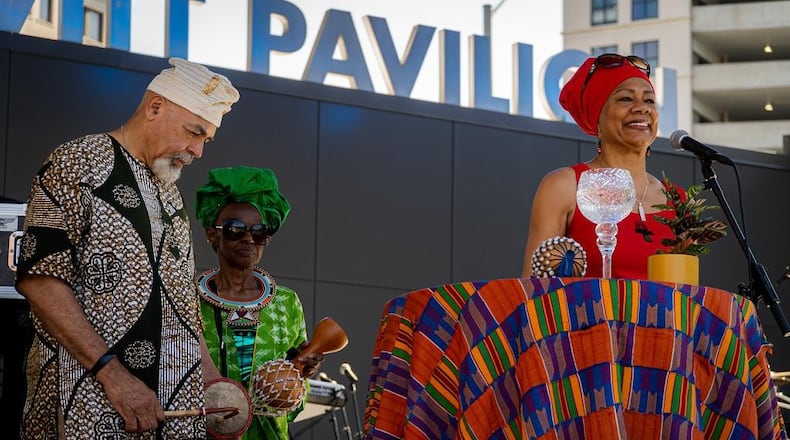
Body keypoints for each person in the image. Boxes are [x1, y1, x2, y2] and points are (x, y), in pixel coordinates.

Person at [14, 57, 240, 438]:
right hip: (84, 401)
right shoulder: (76, 162)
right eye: (194, 131)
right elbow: (39, 279)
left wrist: (210, 377)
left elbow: (181, 301)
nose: (198, 150)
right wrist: (113, 376)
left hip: (167, 411)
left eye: (206, 140)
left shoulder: (170, 195)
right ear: (154, 107)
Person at [521, 53, 683, 279]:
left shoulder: (679, 200)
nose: (641, 108)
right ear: (597, 117)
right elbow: (536, 289)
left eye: (649, 100)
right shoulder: (564, 186)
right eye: (626, 99)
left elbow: (687, 295)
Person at [194, 166, 323, 440]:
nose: (248, 238)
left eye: (259, 231)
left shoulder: (286, 302)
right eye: (235, 229)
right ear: (212, 234)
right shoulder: (188, 299)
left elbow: (296, 390)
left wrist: (300, 374)